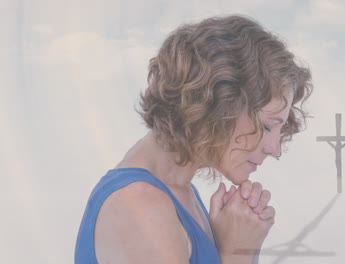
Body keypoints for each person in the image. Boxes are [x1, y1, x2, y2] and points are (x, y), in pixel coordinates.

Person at [75, 14, 312, 264]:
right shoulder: (141, 206)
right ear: (220, 104)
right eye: (266, 125)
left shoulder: (180, 194)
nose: (274, 149)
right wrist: (236, 253)